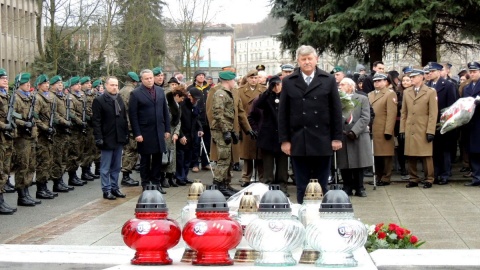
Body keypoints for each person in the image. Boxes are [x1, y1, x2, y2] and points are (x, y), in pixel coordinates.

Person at [278, 45, 343, 203]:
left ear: (316, 59)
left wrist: (337, 138)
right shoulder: (288, 81)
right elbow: (283, 113)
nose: (307, 62)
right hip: (299, 140)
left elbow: (336, 111)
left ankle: (323, 217)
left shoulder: (328, 80)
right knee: (301, 185)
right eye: (303, 59)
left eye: (309, 59)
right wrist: (285, 140)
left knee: (322, 185)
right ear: (298, 61)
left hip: (322, 139)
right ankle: (302, 216)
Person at [129, 69, 170, 193]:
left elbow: (165, 111)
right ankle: (145, 183)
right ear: (142, 79)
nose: (149, 80)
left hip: (159, 130)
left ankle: (156, 182)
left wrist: (167, 129)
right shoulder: (136, 93)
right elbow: (133, 115)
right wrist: (137, 133)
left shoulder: (160, 91)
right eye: (146, 78)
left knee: (158, 158)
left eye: (151, 77)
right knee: (145, 160)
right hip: (144, 132)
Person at [249, 75, 289, 196]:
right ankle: (267, 187)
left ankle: (282, 187)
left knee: (282, 165)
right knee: (268, 164)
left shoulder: (286, 96)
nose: (277, 87)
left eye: (278, 84)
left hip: (282, 136)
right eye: (274, 85)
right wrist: (268, 91)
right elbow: (258, 106)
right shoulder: (265, 97)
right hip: (267, 135)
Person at [211, 71, 248, 197]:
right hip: (221, 130)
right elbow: (218, 114)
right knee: (223, 159)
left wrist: (232, 131)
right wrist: (226, 131)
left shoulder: (228, 93)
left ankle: (225, 184)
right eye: (234, 81)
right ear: (228, 81)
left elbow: (229, 115)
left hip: (226, 129)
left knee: (229, 159)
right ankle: (218, 185)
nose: (236, 83)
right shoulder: (220, 94)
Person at [400, 69, 438, 189]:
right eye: (410, 77)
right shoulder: (407, 92)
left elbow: (433, 113)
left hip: (423, 127)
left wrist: (431, 130)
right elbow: (403, 112)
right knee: (411, 154)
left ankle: (429, 179)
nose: (411, 79)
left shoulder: (430, 92)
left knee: (426, 155)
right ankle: (413, 178)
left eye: (414, 77)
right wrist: (402, 129)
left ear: (421, 77)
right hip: (410, 127)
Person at [92, 76, 129, 200]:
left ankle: (115, 187)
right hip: (106, 137)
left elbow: (123, 118)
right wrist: (98, 138)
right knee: (105, 167)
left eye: (116, 85)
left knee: (116, 166)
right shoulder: (99, 100)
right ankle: (106, 189)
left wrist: (126, 134)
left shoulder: (119, 99)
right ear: (106, 86)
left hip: (119, 137)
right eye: (112, 85)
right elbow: (96, 121)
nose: (114, 87)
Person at [337, 78, 372, 197]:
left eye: (343, 84)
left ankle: (359, 187)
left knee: (359, 162)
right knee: (344, 163)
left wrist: (354, 131)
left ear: (351, 86)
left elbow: (365, 117)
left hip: (358, 135)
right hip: (343, 134)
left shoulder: (362, 99)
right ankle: (347, 187)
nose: (340, 86)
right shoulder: (337, 99)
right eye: (339, 84)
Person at [426, 62, 457, 185]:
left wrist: (447, 123)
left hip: (443, 122)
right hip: (431, 122)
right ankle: (436, 173)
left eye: (432, 71)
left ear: (439, 72)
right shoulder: (427, 86)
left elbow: (451, 106)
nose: (430, 74)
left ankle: (445, 174)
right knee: (434, 150)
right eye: (429, 72)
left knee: (445, 150)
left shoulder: (448, 85)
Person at [13, 73, 41, 206]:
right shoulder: (16, 98)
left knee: (31, 165)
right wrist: (25, 123)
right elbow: (13, 115)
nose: (28, 85)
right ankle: (21, 194)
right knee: (22, 166)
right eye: (25, 83)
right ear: (20, 84)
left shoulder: (29, 98)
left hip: (31, 136)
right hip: (22, 137)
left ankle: (27, 191)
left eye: (29, 83)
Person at [367, 73, 397, 187]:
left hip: (384, 128)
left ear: (385, 82)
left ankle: (386, 177)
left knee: (386, 155)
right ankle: (378, 176)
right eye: (375, 81)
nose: (377, 83)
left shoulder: (390, 94)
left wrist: (388, 130)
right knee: (376, 155)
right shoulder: (370, 94)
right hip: (373, 129)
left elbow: (391, 114)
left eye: (379, 81)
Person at [33, 74, 57, 199]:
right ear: (39, 85)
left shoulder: (48, 97)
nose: (47, 85)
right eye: (45, 83)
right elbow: (35, 117)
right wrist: (45, 127)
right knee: (42, 161)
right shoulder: (37, 98)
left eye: (48, 83)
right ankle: (40, 189)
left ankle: (44, 187)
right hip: (42, 134)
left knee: (48, 160)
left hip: (48, 133)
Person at [238, 69, 263, 187]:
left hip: (259, 125)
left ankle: (262, 177)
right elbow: (238, 110)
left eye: (255, 78)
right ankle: (246, 178)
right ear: (247, 78)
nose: (254, 80)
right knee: (247, 155)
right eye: (251, 78)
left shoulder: (263, 90)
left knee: (260, 155)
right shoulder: (240, 91)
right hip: (246, 125)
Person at [49, 75, 74, 193]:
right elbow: (54, 114)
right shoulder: (52, 97)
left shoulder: (63, 96)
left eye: (61, 83)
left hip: (64, 132)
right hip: (57, 132)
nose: (60, 85)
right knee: (57, 158)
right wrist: (65, 122)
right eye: (58, 83)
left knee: (64, 157)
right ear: (52, 85)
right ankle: (56, 181)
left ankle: (61, 180)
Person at [175, 88, 203, 186]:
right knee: (180, 158)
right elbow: (178, 122)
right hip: (183, 134)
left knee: (188, 158)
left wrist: (200, 129)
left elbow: (197, 119)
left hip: (191, 135)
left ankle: (184, 176)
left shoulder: (194, 106)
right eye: (194, 98)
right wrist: (181, 135)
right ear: (189, 96)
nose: (195, 101)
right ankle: (179, 177)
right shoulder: (182, 105)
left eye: (197, 99)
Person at [119, 71, 140, 187]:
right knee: (131, 151)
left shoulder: (122, 91)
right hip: (131, 125)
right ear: (134, 82)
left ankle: (126, 175)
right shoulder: (132, 92)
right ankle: (126, 176)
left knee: (128, 150)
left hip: (124, 124)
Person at [187, 70, 211, 173]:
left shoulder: (209, 88)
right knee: (196, 143)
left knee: (207, 142)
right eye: (199, 75)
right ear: (195, 77)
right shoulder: (191, 89)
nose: (201, 77)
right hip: (196, 119)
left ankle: (206, 163)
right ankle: (195, 163)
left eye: (203, 75)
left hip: (207, 119)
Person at [0, 68, 16, 214]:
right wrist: (5, 125)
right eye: (2, 78)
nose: (5, 80)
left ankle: (2, 200)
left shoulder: (6, 95)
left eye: (6, 78)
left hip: (7, 138)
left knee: (5, 169)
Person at [463, 61, 480, 186]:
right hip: (470, 123)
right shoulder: (467, 87)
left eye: (474, 72)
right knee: (473, 152)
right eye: (471, 72)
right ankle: (476, 177)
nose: (472, 74)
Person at [164, 86, 186, 187]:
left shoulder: (177, 105)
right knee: (166, 155)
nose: (182, 100)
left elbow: (178, 121)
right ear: (177, 96)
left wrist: (177, 133)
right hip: (167, 132)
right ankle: (163, 176)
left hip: (173, 133)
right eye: (181, 98)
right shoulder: (167, 104)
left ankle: (170, 176)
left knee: (172, 156)